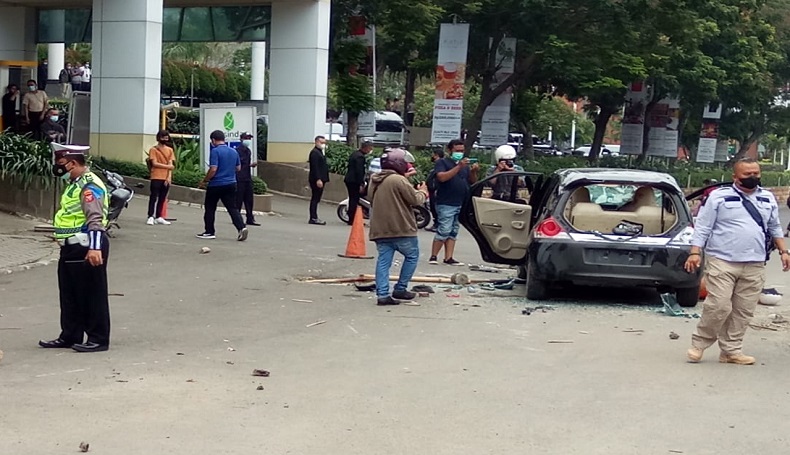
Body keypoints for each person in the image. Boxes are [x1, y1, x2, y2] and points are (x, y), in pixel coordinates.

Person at [684, 158, 789, 365]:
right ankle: (699, 344)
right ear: (735, 177)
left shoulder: (767, 198)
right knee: (718, 306)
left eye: (756, 174)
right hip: (722, 260)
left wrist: (784, 251)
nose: (753, 178)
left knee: (743, 310)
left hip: (755, 263)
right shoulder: (718, 197)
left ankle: (731, 351)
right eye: (747, 174)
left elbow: (775, 227)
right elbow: (703, 227)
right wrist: (695, 253)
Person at [39, 143, 111, 353]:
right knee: (69, 294)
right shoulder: (74, 183)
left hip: (87, 245)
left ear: (72, 163)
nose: (58, 168)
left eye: (61, 164)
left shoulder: (90, 185)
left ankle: (98, 338)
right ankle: (70, 335)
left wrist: (95, 248)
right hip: (71, 246)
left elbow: (95, 218)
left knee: (91, 294)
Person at [369, 148, 429, 305]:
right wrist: (423, 192)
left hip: (380, 229)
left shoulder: (375, 179)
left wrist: (405, 178)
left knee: (383, 261)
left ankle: (382, 294)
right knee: (412, 256)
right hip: (401, 228)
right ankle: (400, 288)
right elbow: (415, 200)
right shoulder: (398, 180)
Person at [429, 139, 478, 265]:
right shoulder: (442, 162)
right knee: (444, 229)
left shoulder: (465, 166)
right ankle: (433, 256)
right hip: (446, 201)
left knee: (453, 231)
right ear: (450, 150)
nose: (460, 153)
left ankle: (448, 257)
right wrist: (458, 166)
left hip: (461, 202)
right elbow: (442, 177)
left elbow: (472, 181)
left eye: (462, 151)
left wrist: (473, 171)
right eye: (457, 151)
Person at [196, 130, 248, 241]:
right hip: (231, 184)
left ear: (213, 140)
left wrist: (205, 180)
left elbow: (213, 169)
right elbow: (238, 168)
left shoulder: (215, 151)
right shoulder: (234, 152)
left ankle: (210, 231)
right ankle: (241, 227)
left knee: (210, 208)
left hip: (216, 184)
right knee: (232, 208)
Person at [146, 130, 175, 226]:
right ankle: (150, 216)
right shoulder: (153, 150)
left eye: (166, 137)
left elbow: (171, 163)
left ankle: (159, 216)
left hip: (165, 177)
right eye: (163, 137)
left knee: (162, 198)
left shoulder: (170, 150)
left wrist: (169, 177)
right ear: (159, 138)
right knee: (153, 196)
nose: (165, 139)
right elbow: (154, 163)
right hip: (156, 176)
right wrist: (168, 167)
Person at [343, 141, 373, 225]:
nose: (370, 150)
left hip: (349, 179)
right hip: (354, 181)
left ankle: (352, 217)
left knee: (353, 199)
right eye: (370, 148)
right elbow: (359, 171)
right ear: (366, 148)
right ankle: (352, 219)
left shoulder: (355, 154)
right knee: (354, 200)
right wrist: (361, 184)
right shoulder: (360, 157)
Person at [235, 132, 260, 226]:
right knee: (239, 199)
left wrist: (251, 165)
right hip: (239, 178)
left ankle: (250, 218)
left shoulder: (248, 151)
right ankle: (237, 218)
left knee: (249, 199)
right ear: (241, 139)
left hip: (247, 177)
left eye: (249, 138)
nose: (248, 140)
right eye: (246, 138)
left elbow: (246, 164)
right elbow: (238, 164)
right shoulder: (237, 151)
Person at [307, 135, 329, 225]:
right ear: (316, 142)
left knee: (316, 198)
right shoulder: (315, 153)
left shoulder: (320, 152)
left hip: (321, 178)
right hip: (317, 179)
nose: (323, 144)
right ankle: (313, 217)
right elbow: (315, 167)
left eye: (324, 143)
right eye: (321, 142)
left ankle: (314, 217)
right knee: (315, 198)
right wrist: (318, 179)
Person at [425, 149, 444, 232]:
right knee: (433, 207)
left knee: (436, 208)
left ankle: (438, 225)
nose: (432, 157)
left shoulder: (441, 165)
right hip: (432, 190)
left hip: (436, 190)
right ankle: (436, 223)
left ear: (437, 155)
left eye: (434, 155)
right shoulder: (437, 165)